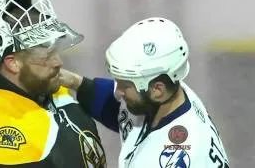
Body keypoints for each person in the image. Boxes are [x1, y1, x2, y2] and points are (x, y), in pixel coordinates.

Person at [0, 0, 106, 167]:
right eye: (47, 55)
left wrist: (81, 85)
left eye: (55, 50)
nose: (59, 62)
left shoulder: (43, 85)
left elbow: (124, 110)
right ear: (12, 63)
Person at [60, 17, 230, 167]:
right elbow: (116, 109)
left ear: (158, 89)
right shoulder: (170, 94)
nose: (117, 92)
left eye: (125, 85)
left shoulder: (171, 158)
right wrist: (75, 82)